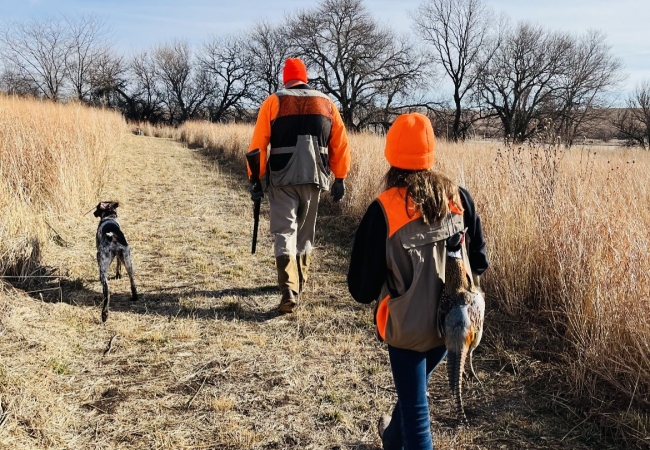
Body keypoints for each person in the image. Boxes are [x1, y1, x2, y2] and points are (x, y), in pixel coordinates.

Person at [347, 113, 488, 449]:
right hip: (453, 328)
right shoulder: (460, 199)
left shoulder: (382, 210)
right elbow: (480, 262)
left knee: (416, 411)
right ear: (431, 152)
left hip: (407, 333)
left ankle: (400, 437)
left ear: (390, 155)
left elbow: (361, 290)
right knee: (412, 394)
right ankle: (391, 438)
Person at [246, 57, 351, 314]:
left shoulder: (275, 101)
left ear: (286, 78)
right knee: (305, 234)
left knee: (284, 232)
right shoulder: (327, 103)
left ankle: (288, 290)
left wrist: (255, 178)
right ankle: (300, 283)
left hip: (282, 178)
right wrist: (340, 177)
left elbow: (258, 145)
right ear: (305, 77)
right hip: (315, 177)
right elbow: (340, 144)